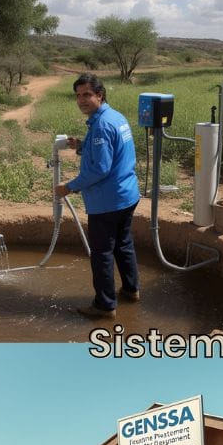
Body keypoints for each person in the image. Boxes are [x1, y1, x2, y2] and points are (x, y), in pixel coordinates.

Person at [54, 73, 141, 319]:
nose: (81, 100)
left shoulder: (101, 125)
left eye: (87, 95)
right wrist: (82, 145)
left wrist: (69, 187)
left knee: (102, 253)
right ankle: (131, 290)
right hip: (126, 194)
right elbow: (109, 153)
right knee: (123, 245)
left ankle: (105, 306)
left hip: (108, 201)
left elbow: (100, 169)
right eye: (78, 95)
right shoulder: (115, 117)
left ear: (99, 95)